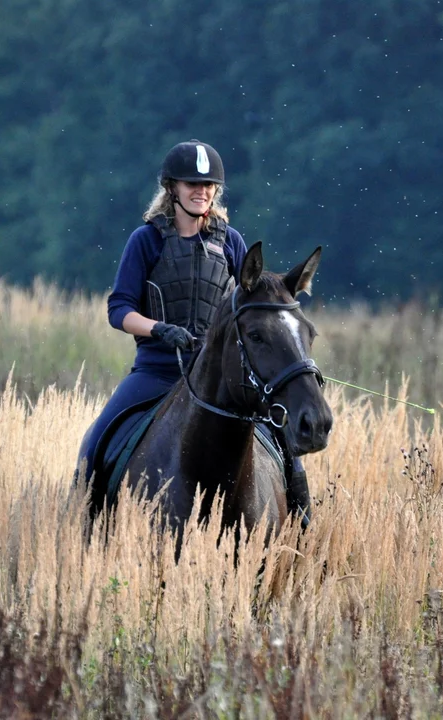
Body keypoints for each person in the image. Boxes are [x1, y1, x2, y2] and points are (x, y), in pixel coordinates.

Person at [76, 139, 313, 526]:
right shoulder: (146, 240)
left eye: (207, 186)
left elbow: (252, 304)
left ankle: (302, 522)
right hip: (157, 372)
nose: (201, 192)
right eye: (192, 185)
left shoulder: (231, 242)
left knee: (286, 444)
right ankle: (88, 525)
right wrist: (160, 330)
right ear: (172, 188)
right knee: (97, 442)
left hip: (218, 376)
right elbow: (119, 310)